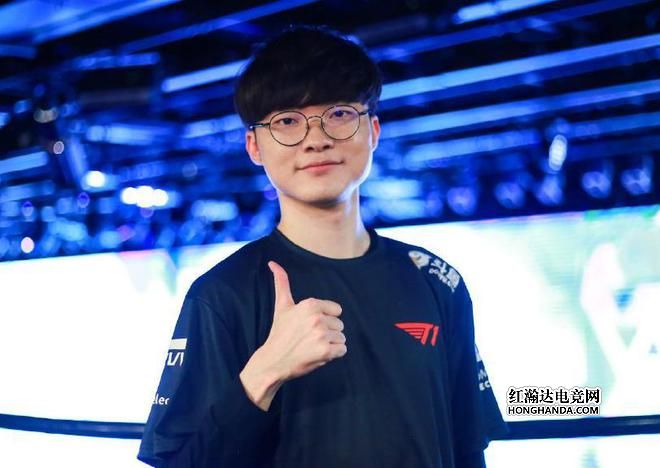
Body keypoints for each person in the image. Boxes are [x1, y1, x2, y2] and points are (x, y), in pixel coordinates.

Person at [138, 24, 508, 468]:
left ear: (373, 130)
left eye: (338, 114)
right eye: (287, 121)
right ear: (254, 146)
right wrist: (265, 373)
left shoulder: (436, 280)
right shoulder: (223, 294)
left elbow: (468, 448)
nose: (316, 139)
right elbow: (178, 462)